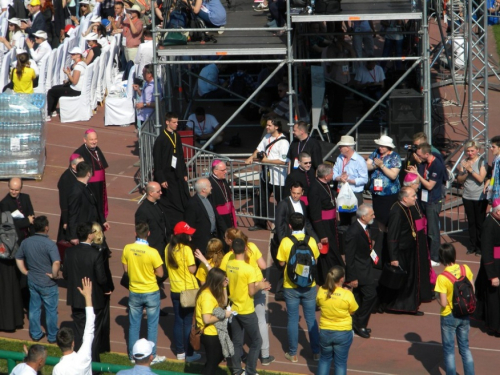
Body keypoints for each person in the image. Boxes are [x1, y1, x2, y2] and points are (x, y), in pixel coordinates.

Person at [63, 222, 112, 364]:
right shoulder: (95, 254)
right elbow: (101, 278)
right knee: (93, 332)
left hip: (76, 297)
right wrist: (106, 289)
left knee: (79, 330)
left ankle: (79, 360)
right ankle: (94, 364)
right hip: (93, 298)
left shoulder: (69, 252)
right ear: (89, 235)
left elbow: (66, 274)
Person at [277, 213, 320, 363]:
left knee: (292, 319)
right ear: (304, 225)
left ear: (290, 225)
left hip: (291, 285)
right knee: (311, 320)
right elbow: (316, 259)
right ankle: (316, 352)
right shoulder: (312, 241)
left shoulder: (286, 242)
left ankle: (293, 353)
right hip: (309, 285)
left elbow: (281, 263)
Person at [122, 222, 166, 364]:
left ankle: (132, 355)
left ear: (136, 233)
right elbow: (160, 273)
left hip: (134, 290)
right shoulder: (153, 252)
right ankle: (151, 355)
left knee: (134, 324)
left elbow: (126, 270)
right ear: (148, 233)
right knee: (152, 325)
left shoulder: (128, 248)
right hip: (151, 291)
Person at [226, 238, 270, 375]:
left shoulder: (229, 264)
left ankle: (237, 371)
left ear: (232, 250)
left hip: (234, 308)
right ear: (245, 249)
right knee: (257, 340)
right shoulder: (249, 269)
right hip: (246, 309)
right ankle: (250, 370)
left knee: (236, 341)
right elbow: (252, 291)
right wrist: (260, 285)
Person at [384, 187, 429, 315]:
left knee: (410, 280)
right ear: (405, 198)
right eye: (413, 196)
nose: (416, 198)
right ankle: (400, 306)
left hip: (409, 249)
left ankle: (409, 306)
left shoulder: (407, 208)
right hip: (401, 252)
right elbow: (392, 237)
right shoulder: (397, 212)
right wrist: (394, 258)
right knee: (404, 281)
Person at [15, 216, 60, 341]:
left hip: (33, 280)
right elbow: (56, 263)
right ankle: (52, 336)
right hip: (48, 282)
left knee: (34, 308)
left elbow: (18, 257)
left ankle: (35, 333)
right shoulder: (50, 244)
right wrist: (54, 275)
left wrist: (25, 271)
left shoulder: (26, 242)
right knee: (51, 310)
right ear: (46, 227)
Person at [272, 182, 319, 301]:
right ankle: (280, 291)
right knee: (286, 266)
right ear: (290, 191)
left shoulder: (303, 204)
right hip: (289, 240)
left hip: (301, 239)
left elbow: (306, 223)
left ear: (302, 193)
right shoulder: (284, 204)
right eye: (293, 193)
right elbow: (279, 224)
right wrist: (284, 241)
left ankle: (297, 285)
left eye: (298, 193)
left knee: (298, 262)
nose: (295, 196)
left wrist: (316, 238)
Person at [434, 243, 475, 375]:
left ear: (441, 259)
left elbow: (444, 303)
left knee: (449, 350)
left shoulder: (442, 278)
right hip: (465, 314)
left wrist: (437, 298)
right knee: (465, 348)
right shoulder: (465, 269)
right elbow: (472, 289)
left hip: (449, 315)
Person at [165, 222, 201, 362]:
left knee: (178, 321)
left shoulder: (168, 248)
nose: (191, 235)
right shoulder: (186, 250)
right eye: (188, 233)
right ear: (183, 236)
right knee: (188, 322)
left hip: (174, 289)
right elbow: (192, 270)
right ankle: (189, 353)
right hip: (188, 291)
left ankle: (180, 351)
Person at [245, 116, 290, 231]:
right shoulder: (266, 137)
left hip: (278, 177)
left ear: (277, 127)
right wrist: (251, 157)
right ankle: (260, 223)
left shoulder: (284, 142)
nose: (267, 127)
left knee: (280, 202)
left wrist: (266, 161)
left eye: (269, 125)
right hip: (266, 176)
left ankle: (281, 225)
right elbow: (258, 150)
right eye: (267, 125)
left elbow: (282, 161)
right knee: (262, 199)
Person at [406, 142, 445, 266]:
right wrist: (413, 173)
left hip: (432, 201)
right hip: (423, 200)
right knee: (423, 227)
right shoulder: (423, 164)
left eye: (419, 155)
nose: (417, 157)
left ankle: (435, 257)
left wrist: (417, 174)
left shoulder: (437, 165)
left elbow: (429, 185)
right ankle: (426, 252)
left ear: (426, 154)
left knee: (433, 231)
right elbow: (419, 179)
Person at [316, 266, 358, 375]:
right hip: (343, 332)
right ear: (341, 279)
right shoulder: (347, 294)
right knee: (340, 363)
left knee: (324, 359)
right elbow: (353, 311)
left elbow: (319, 304)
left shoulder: (321, 290)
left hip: (325, 331)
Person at [344, 205, 378, 339]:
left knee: (358, 298)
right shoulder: (353, 232)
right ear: (363, 217)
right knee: (371, 295)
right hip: (359, 271)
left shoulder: (365, 227)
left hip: (366, 266)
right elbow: (349, 256)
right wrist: (352, 277)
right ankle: (360, 323)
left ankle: (355, 322)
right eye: (371, 215)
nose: (374, 217)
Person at [153, 112, 190, 229]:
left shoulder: (176, 136)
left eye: (177, 122)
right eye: (174, 122)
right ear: (167, 122)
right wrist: (161, 178)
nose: (176, 124)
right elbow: (157, 162)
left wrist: (184, 172)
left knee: (182, 196)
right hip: (166, 175)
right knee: (170, 199)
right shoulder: (161, 140)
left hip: (177, 173)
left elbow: (180, 154)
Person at [308, 164, 345, 285]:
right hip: (324, 225)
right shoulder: (314, 188)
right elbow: (315, 214)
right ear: (325, 176)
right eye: (332, 173)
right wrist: (322, 234)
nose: (333, 175)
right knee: (329, 252)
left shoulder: (325, 184)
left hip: (331, 222)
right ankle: (332, 277)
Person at [53, 277, 95, 375]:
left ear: (58, 345)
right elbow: (90, 328)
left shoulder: (58, 369)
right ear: (73, 342)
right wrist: (88, 297)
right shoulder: (84, 356)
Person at [195, 268, 233, 375]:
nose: (224, 281)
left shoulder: (211, 290)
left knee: (216, 359)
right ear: (216, 281)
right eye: (223, 280)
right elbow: (207, 319)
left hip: (214, 331)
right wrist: (223, 314)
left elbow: (224, 303)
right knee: (212, 363)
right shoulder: (207, 297)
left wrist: (225, 287)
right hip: (210, 334)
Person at [456, 140, 488, 256]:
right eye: (468, 151)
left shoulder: (482, 162)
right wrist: (464, 171)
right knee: (471, 222)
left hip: (479, 196)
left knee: (480, 222)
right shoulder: (463, 162)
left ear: (477, 150)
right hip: (467, 196)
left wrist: (470, 170)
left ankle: (480, 246)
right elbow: (459, 180)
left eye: (472, 151)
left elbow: (480, 179)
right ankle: (472, 245)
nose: (470, 153)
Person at [474, 198, 500, 336]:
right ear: (497, 212)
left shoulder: (497, 220)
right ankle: (495, 326)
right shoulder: (489, 225)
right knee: (494, 298)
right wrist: (492, 275)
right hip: (494, 267)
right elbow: (487, 252)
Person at [67, 162, 109, 244]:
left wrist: (103, 221)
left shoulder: (86, 186)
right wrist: (73, 236)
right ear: (89, 173)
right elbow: (72, 214)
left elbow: (95, 205)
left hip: (92, 227)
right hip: (84, 231)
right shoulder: (76, 191)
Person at [366, 135, 402, 227]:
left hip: (389, 194)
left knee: (389, 217)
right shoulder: (375, 153)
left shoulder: (395, 157)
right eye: (379, 145)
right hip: (377, 192)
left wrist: (382, 166)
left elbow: (393, 175)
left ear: (388, 147)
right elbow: (366, 166)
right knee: (378, 217)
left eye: (382, 146)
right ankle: (380, 234)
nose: (380, 148)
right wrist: (374, 166)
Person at [74, 129, 110, 220]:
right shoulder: (79, 153)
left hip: (100, 185)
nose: (94, 142)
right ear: (85, 140)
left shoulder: (97, 149)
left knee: (101, 203)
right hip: (90, 185)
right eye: (91, 140)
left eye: (95, 139)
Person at [184, 178, 225, 255]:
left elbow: (216, 216)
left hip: (212, 237)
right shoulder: (192, 203)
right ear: (203, 190)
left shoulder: (209, 199)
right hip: (201, 241)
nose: (211, 187)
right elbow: (190, 223)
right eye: (210, 186)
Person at [322, 32, 356, 125]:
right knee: (336, 103)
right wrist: (340, 51)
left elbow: (354, 58)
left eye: (343, 37)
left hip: (345, 79)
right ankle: (336, 123)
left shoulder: (346, 47)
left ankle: (339, 122)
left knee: (342, 103)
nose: (342, 39)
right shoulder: (331, 49)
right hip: (335, 80)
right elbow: (335, 62)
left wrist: (349, 48)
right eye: (340, 37)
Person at [134, 181, 169, 271]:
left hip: (161, 245)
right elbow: (141, 232)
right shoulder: (143, 211)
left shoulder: (157, 204)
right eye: (158, 191)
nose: (161, 193)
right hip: (152, 247)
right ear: (150, 193)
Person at [46, 46, 87, 122]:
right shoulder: (82, 64)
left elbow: (74, 81)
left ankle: (48, 114)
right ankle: (53, 110)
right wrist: (69, 77)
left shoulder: (78, 67)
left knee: (51, 92)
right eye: (71, 54)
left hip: (75, 90)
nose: (72, 55)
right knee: (54, 88)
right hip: (76, 88)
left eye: (73, 54)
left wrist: (68, 74)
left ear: (78, 55)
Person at [91, 222, 114, 355]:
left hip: (92, 288)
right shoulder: (102, 250)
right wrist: (108, 287)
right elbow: (105, 272)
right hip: (100, 289)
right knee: (102, 319)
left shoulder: (93, 249)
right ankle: (101, 345)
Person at [57, 153, 84, 242]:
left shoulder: (81, 173)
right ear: (73, 165)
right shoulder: (66, 178)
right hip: (69, 215)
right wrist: (65, 221)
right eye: (81, 164)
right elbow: (63, 201)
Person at [0, 177, 35, 245]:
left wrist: (33, 236)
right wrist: (27, 221)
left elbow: (31, 216)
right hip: (15, 239)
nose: (13, 192)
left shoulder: (26, 197)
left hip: (27, 236)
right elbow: (10, 224)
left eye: (16, 190)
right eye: (11, 189)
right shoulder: (4, 203)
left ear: (21, 188)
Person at [208, 160, 236, 235]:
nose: (226, 172)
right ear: (215, 171)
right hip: (220, 216)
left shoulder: (223, 180)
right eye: (223, 170)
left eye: (226, 169)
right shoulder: (210, 183)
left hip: (229, 212)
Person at [487, 135, 500, 203]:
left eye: (493, 147)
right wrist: (490, 184)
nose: (491, 149)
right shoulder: (495, 159)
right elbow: (493, 176)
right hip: (495, 192)